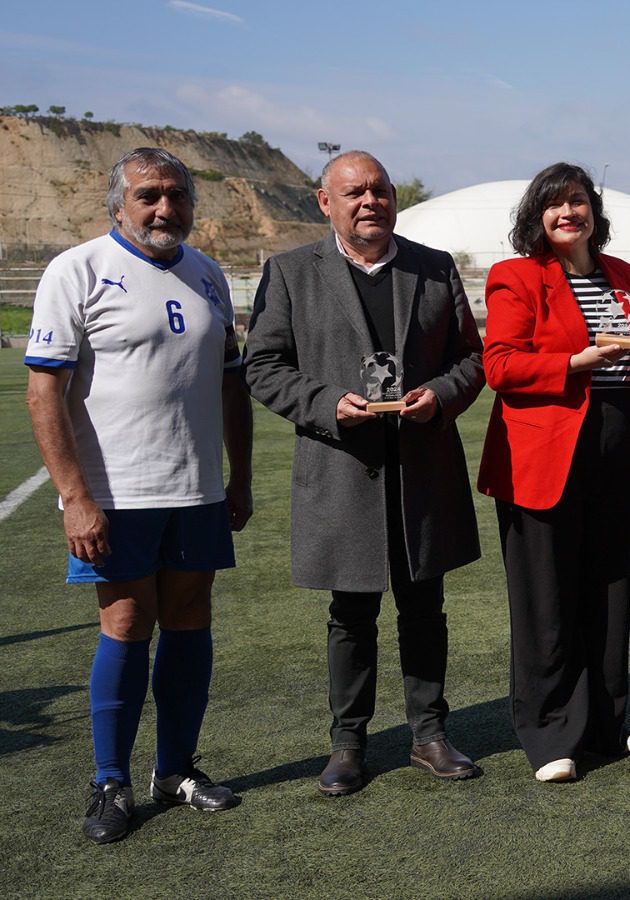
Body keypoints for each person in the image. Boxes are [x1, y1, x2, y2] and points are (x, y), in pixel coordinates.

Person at [24, 148, 253, 843]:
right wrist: (74, 497)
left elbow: (230, 384)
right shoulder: (78, 270)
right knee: (126, 622)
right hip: (115, 496)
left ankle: (175, 769)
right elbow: (45, 390)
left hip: (197, 489)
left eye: (177, 195)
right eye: (149, 195)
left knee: (190, 617)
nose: (164, 209)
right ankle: (110, 781)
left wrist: (239, 477)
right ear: (117, 204)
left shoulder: (207, 273)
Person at [245, 150, 485, 794]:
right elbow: (262, 367)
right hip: (341, 468)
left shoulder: (433, 268)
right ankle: (348, 744)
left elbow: (472, 358)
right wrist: (326, 404)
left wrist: (440, 395)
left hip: (421, 470)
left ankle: (429, 734)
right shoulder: (291, 272)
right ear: (325, 202)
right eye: (353, 192)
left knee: (424, 606)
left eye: (379, 190)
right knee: (350, 613)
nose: (369, 201)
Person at [477, 163, 630, 781]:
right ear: (537, 215)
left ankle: (606, 724)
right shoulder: (516, 276)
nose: (568, 213)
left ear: (594, 211)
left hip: (616, 447)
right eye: (554, 205)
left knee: (607, 588)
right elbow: (500, 366)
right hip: (544, 452)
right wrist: (576, 360)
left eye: (577, 202)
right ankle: (551, 734)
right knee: (546, 598)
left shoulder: (627, 278)